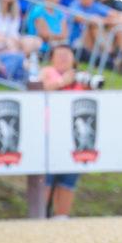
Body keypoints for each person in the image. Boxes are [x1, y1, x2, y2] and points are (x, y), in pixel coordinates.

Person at [41, 44, 83, 218]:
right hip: (49, 133)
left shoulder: (81, 79)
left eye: (68, 55)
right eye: (60, 55)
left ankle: (61, 217)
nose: (64, 58)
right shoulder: (48, 72)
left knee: (69, 179)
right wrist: (62, 81)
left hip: (74, 136)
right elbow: (43, 88)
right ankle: (40, 215)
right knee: (47, 178)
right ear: (52, 58)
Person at [68, 0, 122, 73]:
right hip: (78, 45)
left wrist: (113, 21)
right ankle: (112, 58)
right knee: (94, 26)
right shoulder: (74, 6)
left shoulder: (95, 5)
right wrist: (109, 21)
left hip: (97, 43)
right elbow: (91, 20)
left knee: (118, 27)